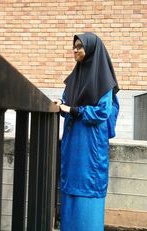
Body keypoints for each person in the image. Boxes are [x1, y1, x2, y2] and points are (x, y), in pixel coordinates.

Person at [53, 32, 119, 231]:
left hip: (90, 145)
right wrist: (61, 104)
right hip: (73, 143)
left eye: (79, 46)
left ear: (90, 50)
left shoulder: (103, 80)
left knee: (88, 189)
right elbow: (68, 105)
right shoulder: (75, 78)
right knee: (70, 188)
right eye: (74, 46)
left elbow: (102, 112)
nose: (75, 50)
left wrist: (73, 110)